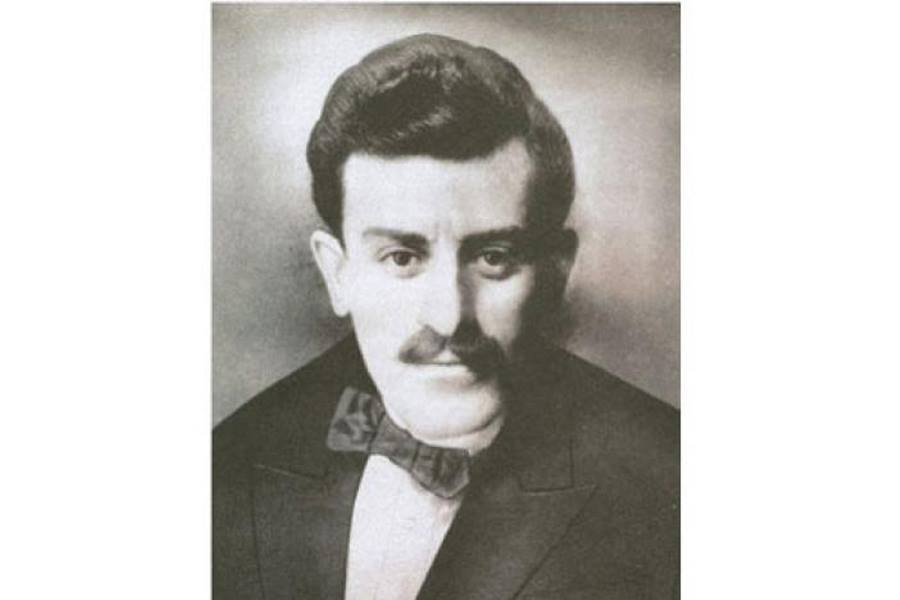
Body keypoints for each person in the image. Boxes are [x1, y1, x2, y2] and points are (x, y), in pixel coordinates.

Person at [213, 33, 678, 600]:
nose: (450, 317)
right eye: (402, 258)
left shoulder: (670, 482)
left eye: (493, 258)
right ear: (338, 274)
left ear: (555, 274)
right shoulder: (228, 465)